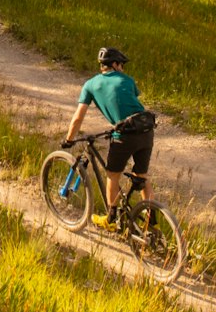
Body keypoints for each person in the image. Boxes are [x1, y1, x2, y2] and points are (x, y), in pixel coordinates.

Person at [64, 46, 152, 227]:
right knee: (142, 175)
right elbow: (129, 102)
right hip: (146, 131)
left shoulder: (90, 84)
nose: (123, 69)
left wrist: (69, 139)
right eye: (122, 65)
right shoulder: (128, 80)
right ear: (114, 64)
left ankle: (111, 220)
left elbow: (79, 116)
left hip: (125, 135)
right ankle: (152, 222)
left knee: (112, 175)